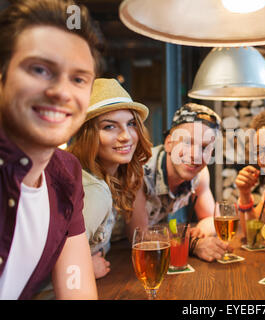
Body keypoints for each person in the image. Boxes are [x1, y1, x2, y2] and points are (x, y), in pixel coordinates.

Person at [0, 0, 102, 299]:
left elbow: (76, 289)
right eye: (40, 69)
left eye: (79, 79)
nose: (61, 91)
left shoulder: (66, 174)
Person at [67, 78, 153, 279]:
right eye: (109, 127)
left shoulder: (110, 178)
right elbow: (52, 261)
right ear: (86, 135)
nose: (126, 136)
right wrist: (86, 267)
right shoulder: (93, 190)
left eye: (131, 124)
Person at [129, 103, 231, 262]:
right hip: (109, 253)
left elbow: (211, 219)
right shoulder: (139, 171)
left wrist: (197, 233)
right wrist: (193, 244)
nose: (195, 156)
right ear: (169, 143)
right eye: (188, 142)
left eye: (204, 147)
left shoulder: (200, 174)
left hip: (155, 251)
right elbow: (139, 237)